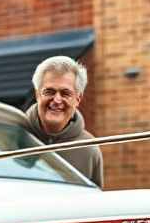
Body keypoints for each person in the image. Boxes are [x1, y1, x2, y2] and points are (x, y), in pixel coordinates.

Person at [26, 56, 103, 187]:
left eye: (65, 93)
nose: (56, 100)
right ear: (37, 94)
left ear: (78, 99)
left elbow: (93, 202)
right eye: (49, 92)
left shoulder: (88, 150)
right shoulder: (13, 135)